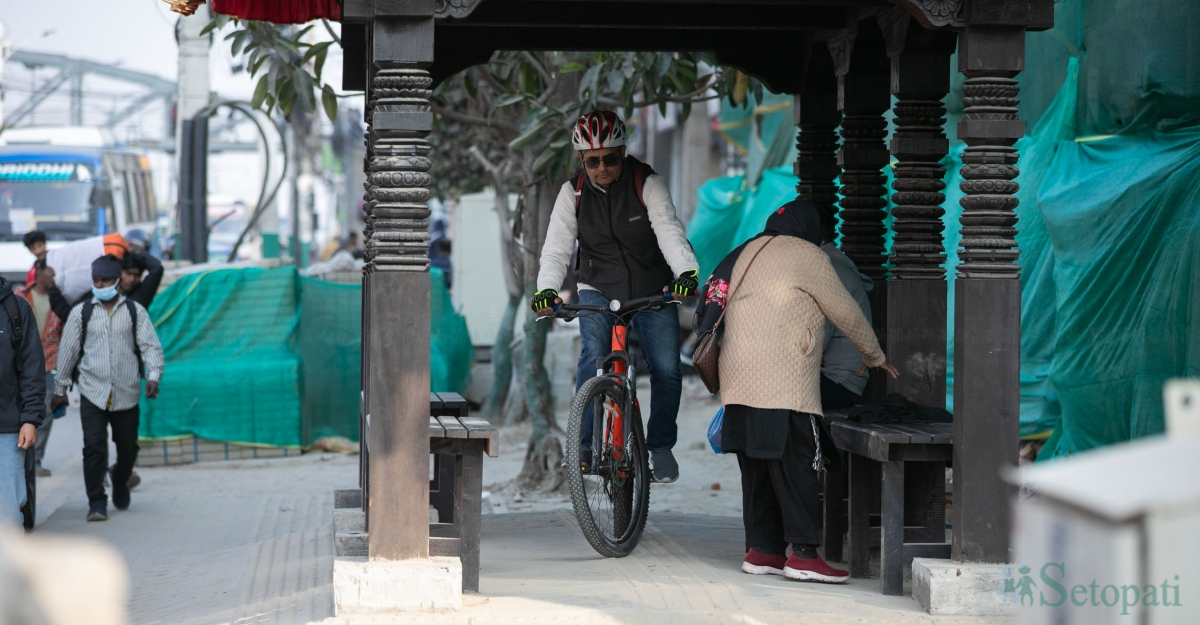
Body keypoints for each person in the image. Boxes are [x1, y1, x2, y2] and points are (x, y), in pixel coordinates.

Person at [694, 199, 898, 583]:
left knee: (755, 464)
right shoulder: (808, 255)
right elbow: (845, 311)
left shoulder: (745, 250)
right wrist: (874, 355)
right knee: (796, 462)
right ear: (810, 230)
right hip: (784, 379)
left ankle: (762, 550)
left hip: (738, 378)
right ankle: (803, 554)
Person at [533, 110, 699, 483]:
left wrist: (685, 273)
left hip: (651, 289)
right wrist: (546, 289)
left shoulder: (647, 182)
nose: (602, 167)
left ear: (623, 152)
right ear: (582, 160)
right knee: (593, 355)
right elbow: (556, 250)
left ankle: (659, 446)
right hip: (597, 287)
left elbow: (669, 231)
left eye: (610, 158)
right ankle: (584, 446)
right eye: (593, 161)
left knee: (668, 368)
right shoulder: (571, 193)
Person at [52, 256, 164, 522]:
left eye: (104, 281)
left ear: (117, 282)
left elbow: (150, 346)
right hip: (93, 391)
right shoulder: (82, 312)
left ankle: (120, 476)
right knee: (93, 448)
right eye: (96, 281)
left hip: (126, 392)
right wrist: (60, 389)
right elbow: (68, 351)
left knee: (128, 447)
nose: (99, 285)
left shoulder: (135, 311)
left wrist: (154, 375)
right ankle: (96, 502)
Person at [815, 205, 875, 411]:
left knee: (771, 389)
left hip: (839, 383)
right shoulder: (826, 263)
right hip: (828, 378)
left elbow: (815, 339)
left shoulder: (830, 270)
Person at [0, 274, 46, 527]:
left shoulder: (16, 309)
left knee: (7, 512)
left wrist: (30, 418)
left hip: (7, 428)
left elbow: (32, 367)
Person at [19, 260, 63, 477]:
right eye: (49, 272)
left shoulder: (59, 301)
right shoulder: (19, 298)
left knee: (44, 413)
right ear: (39, 272)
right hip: (21, 364)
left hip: (49, 363)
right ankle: (22, 456)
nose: (53, 277)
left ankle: (35, 459)